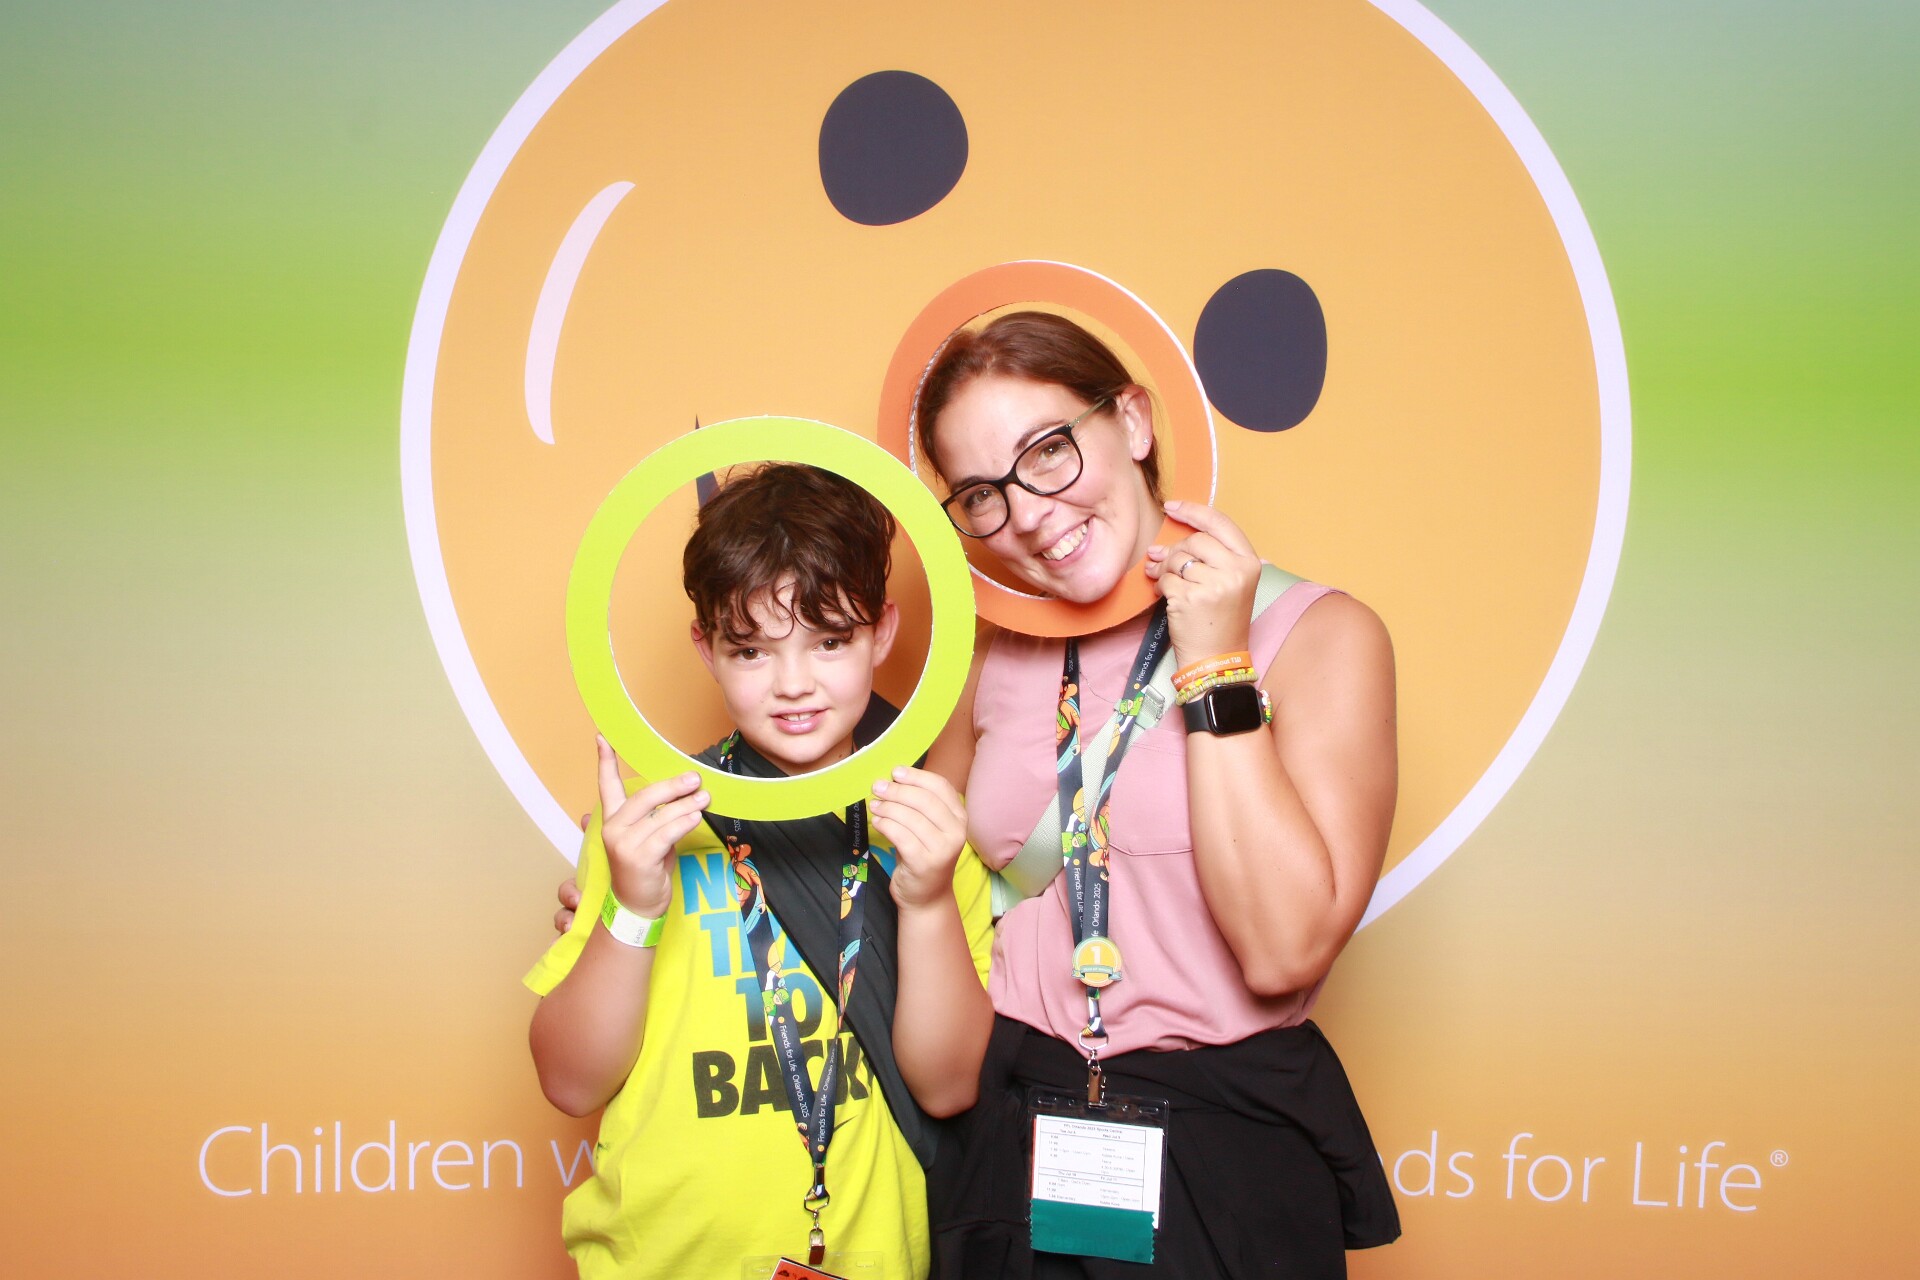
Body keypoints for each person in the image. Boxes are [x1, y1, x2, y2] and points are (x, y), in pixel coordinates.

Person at [912, 311, 1402, 1278]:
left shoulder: (1319, 636)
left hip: (1223, 1140)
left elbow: (1284, 950)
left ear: (1132, 421)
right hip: (1010, 1122)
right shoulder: (987, 652)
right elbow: (924, 887)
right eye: (982, 495)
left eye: (1048, 452)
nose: (1028, 514)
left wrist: (1215, 661)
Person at [526, 463, 995, 1280]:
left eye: (831, 641)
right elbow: (570, 1081)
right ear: (705, 649)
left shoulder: (928, 828)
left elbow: (950, 1088)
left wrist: (925, 902)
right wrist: (632, 906)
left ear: (882, 632)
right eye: (750, 651)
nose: (793, 685)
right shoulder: (649, 828)